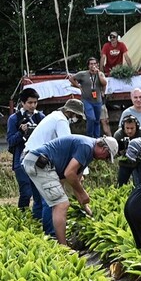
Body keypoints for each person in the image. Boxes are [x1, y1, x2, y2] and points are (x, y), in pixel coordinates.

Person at [22, 135, 118, 244]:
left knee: (59, 202)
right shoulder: (86, 146)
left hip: (41, 163)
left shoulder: (89, 151)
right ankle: (62, 246)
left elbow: (76, 179)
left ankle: (54, 239)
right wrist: (83, 193)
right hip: (39, 162)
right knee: (61, 204)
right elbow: (69, 173)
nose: (104, 160)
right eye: (106, 156)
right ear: (103, 148)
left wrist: (85, 207)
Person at [23, 99, 85, 236]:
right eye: (77, 116)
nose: (77, 119)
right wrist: (80, 172)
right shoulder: (61, 121)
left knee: (39, 200)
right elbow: (68, 145)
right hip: (39, 161)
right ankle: (51, 235)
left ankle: (38, 232)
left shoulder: (53, 116)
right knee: (51, 201)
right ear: (70, 112)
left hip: (28, 159)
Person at [7, 88, 44, 217]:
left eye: (35, 102)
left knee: (39, 193)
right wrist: (21, 133)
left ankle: (37, 218)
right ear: (22, 103)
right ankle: (21, 219)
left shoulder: (40, 117)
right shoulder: (14, 118)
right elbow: (10, 141)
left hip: (37, 160)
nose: (33, 106)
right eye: (30, 102)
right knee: (26, 192)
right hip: (20, 160)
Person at [69, 57, 107, 138]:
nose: (93, 65)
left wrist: (98, 73)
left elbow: (104, 83)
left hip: (97, 101)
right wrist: (78, 86)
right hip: (87, 100)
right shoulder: (83, 74)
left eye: (94, 63)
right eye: (91, 64)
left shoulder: (100, 74)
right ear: (88, 65)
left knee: (97, 120)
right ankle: (89, 136)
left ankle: (96, 138)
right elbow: (71, 78)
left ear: (97, 64)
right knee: (91, 118)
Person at [114, 115, 141, 186]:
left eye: (132, 128)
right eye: (127, 128)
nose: (129, 131)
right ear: (123, 127)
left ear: (136, 127)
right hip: (125, 161)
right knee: (120, 184)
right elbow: (115, 152)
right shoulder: (118, 135)